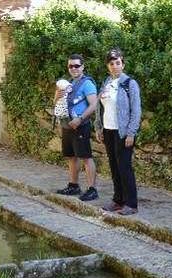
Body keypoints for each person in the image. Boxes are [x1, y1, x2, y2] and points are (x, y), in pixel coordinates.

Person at [96, 48, 142, 216]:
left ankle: (131, 203)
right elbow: (99, 108)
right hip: (108, 130)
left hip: (123, 132)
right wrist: (99, 127)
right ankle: (118, 200)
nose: (115, 66)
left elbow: (136, 110)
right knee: (114, 167)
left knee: (124, 167)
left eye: (118, 63)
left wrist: (131, 132)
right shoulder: (107, 82)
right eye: (111, 63)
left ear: (123, 64)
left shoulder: (130, 83)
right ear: (107, 66)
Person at [54, 53, 99, 202]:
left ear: (82, 67)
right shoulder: (67, 84)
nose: (73, 68)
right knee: (71, 156)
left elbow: (94, 104)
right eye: (70, 66)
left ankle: (92, 189)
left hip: (80, 126)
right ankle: (74, 186)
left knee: (86, 157)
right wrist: (57, 96)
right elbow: (56, 103)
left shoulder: (87, 84)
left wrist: (80, 119)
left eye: (76, 66)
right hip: (67, 125)